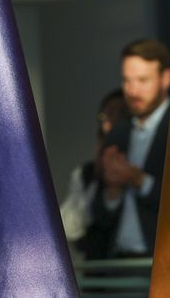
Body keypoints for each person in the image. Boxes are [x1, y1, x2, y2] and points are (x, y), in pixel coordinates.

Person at [92, 38, 170, 258]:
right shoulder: (118, 132)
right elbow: (99, 214)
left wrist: (138, 180)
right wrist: (113, 190)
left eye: (142, 80)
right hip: (117, 263)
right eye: (127, 81)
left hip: (164, 262)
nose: (133, 90)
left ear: (166, 79)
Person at [60, 89, 128, 260]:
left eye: (117, 116)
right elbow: (70, 228)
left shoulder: (146, 169)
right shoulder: (86, 174)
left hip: (137, 270)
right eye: (104, 117)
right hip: (98, 273)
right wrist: (97, 180)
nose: (108, 125)